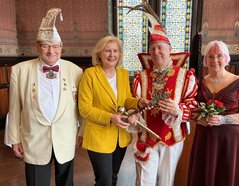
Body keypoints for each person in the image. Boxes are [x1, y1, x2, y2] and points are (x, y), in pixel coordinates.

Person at [124, 2, 198, 186]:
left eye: (160, 48)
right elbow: (134, 105)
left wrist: (177, 109)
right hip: (146, 138)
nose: (156, 52)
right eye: (153, 48)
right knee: (145, 181)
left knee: (166, 181)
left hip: (172, 138)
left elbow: (193, 105)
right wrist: (134, 115)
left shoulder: (186, 76)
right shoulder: (141, 77)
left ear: (169, 50)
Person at [7, 8, 83, 186]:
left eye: (56, 46)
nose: (51, 51)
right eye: (45, 45)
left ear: (61, 48)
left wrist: (81, 132)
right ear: (37, 46)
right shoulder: (20, 70)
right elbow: (15, 107)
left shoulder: (75, 71)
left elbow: (80, 106)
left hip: (66, 138)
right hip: (34, 140)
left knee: (66, 183)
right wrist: (14, 139)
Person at [78, 35, 148, 186]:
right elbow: (84, 108)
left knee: (114, 176)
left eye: (115, 51)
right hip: (98, 136)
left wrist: (138, 102)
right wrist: (110, 117)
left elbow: (126, 100)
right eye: (107, 51)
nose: (112, 55)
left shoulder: (122, 74)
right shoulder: (90, 74)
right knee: (104, 180)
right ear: (99, 54)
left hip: (120, 136)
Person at [187, 40, 239, 186]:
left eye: (219, 56)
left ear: (226, 58)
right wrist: (198, 118)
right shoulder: (199, 83)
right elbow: (190, 110)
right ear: (206, 60)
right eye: (210, 56)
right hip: (205, 138)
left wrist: (223, 120)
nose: (215, 60)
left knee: (227, 176)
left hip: (230, 140)